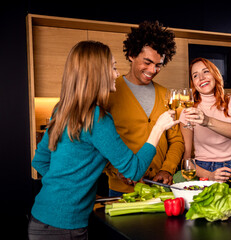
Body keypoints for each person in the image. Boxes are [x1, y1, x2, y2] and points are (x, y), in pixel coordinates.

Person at [28, 41, 178, 240]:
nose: (116, 74)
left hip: (41, 217)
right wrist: (159, 127)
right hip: (65, 227)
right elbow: (134, 169)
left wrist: (67, 191)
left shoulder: (62, 109)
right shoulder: (98, 118)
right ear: (97, 73)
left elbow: (39, 160)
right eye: (113, 68)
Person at [104, 21, 184, 196]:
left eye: (158, 65)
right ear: (132, 54)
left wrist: (168, 170)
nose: (152, 70)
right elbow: (99, 142)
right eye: (147, 62)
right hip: (122, 191)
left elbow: (176, 140)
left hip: (160, 188)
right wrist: (116, 170)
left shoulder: (165, 95)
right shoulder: (109, 92)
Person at [179, 57, 231, 182]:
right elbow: (187, 159)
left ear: (215, 74)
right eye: (195, 75)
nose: (201, 78)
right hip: (203, 169)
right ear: (193, 83)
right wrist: (209, 175)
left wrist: (206, 121)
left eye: (206, 71)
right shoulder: (188, 111)